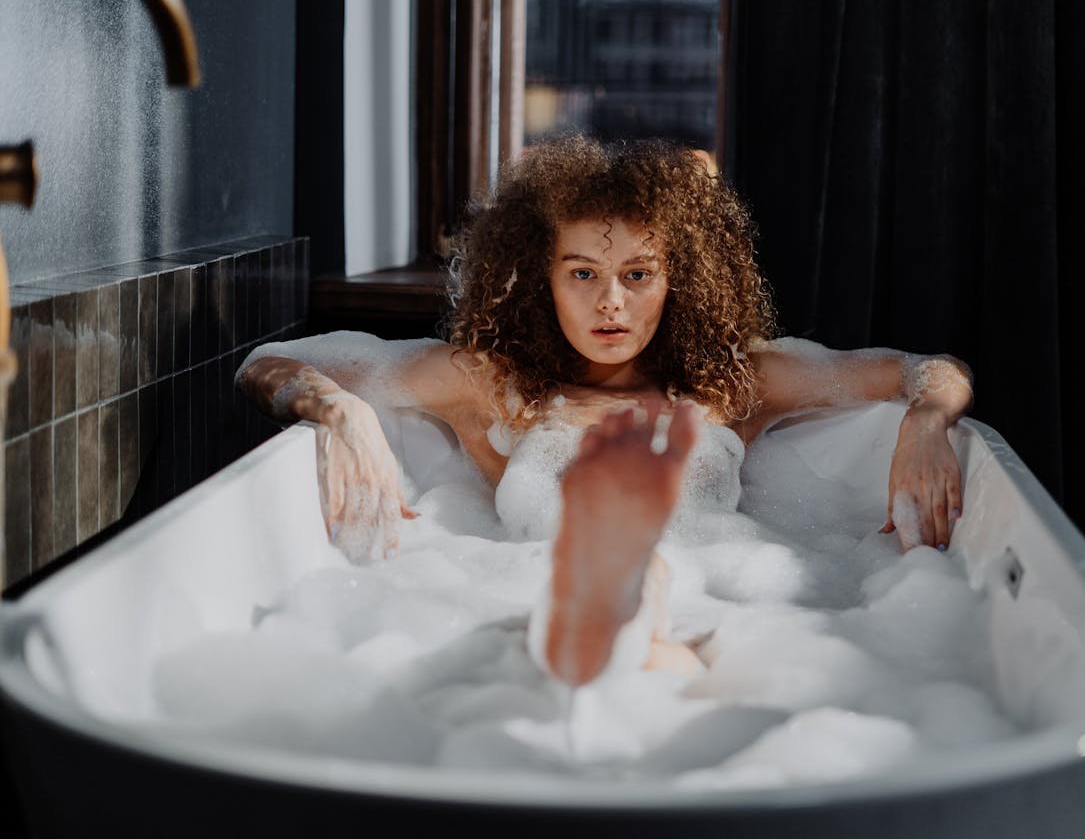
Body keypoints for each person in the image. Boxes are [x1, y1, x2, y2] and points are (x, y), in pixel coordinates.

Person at [236, 134, 973, 687]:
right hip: (523, 609)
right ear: (541, 279)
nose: (610, 301)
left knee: (653, 617)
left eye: (637, 274)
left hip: (718, 617)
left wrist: (927, 420)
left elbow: (923, 370)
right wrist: (338, 409)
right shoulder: (497, 385)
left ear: (676, 280)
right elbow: (260, 365)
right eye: (582, 273)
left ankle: (625, 632)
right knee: (627, 617)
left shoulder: (732, 385)